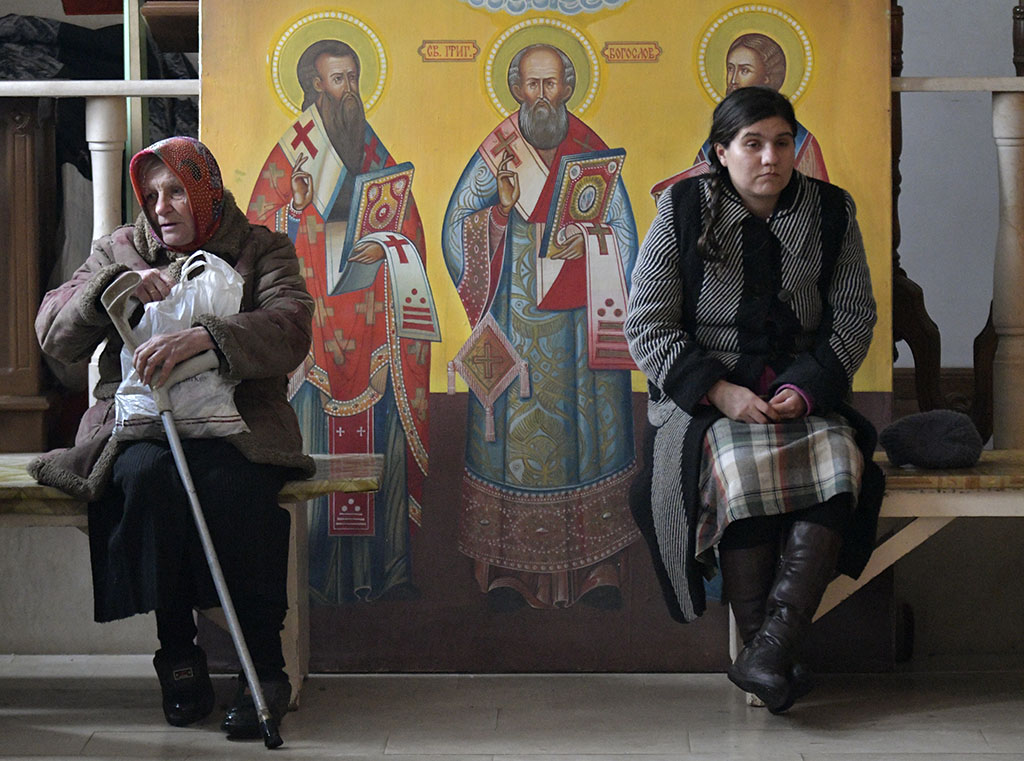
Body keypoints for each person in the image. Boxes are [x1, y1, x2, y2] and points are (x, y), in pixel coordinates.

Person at [30, 136, 315, 737]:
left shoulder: (260, 249)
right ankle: (178, 653)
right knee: (144, 479)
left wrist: (209, 336)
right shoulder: (120, 250)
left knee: (236, 486)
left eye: (177, 191)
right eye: (152, 194)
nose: (161, 207)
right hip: (142, 428)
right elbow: (54, 334)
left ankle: (263, 668)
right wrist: (111, 289)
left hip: (239, 425)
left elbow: (290, 327)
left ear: (206, 192)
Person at [625, 87, 884, 713]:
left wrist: (804, 389)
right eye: (753, 143)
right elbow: (647, 322)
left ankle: (766, 651)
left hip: (802, 392)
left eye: (782, 142)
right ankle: (770, 653)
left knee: (839, 461)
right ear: (722, 151)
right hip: (706, 398)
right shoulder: (682, 209)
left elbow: (854, 316)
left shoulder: (831, 212)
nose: (770, 157)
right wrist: (720, 391)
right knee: (738, 467)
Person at [442, 43, 639, 609]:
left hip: (580, 329)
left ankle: (597, 569)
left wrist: (593, 240)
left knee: (588, 440)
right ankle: (510, 571)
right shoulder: (498, 151)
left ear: (568, 88)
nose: (542, 96)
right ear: (517, 89)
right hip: (515, 325)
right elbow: (456, 231)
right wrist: (501, 211)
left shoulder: (591, 150)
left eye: (552, 84)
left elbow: (627, 239)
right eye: (532, 85)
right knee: (514, 440)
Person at [248, 38, 437, 604]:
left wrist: (390, 246)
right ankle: (317, 577)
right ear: (314, 85)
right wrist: (296, 209)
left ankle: (388, 571)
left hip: (374, 324)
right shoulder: (293, 151)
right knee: (313, 446)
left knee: (384, 444)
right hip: (313, 334)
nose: (349, 89)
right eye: (338, 79)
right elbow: (259, 233)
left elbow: (409, 228)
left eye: (353, 77)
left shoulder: (370, 148)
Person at [649, 33, 828, 198]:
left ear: (767, 78)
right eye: (730, 69)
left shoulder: (802, 143)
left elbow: (816, 203)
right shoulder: (714, 143)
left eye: (744, 71)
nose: (733, 80)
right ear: (721, 152)